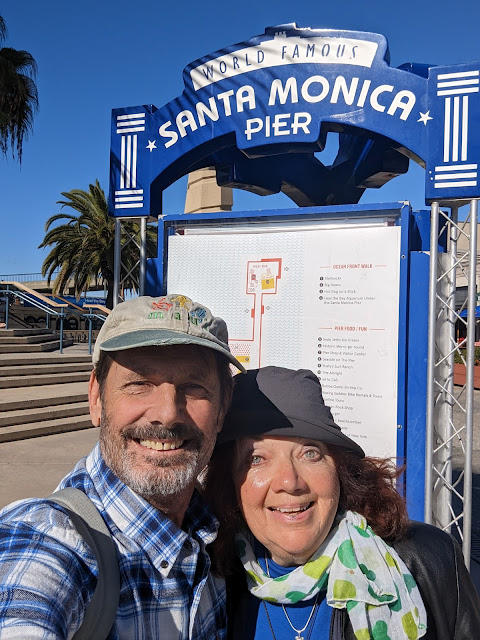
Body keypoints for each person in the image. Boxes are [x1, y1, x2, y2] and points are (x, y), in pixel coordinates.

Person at [0, 293, 245, 639]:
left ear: (222, 408)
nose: (167, 414)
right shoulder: (50, 539)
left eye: (194, 387)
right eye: (139, 383)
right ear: (97, 398)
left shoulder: (216, 530)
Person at [205, 366, 480, 640]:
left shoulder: (429, 561)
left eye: (310, 453)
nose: (290, 481)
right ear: (229, 482)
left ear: (339, 470)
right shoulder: (208, 581)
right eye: (257, 459)